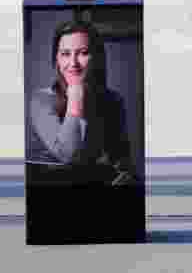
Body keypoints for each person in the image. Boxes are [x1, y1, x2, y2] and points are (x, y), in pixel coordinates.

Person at [27, 19, 136, 185]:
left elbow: (122, 160)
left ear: (96, 57)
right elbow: (68, 156)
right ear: (56, 59)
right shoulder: (42, 100)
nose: (73, 63)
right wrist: (76, 97)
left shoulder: (113, 100)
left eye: (83, 52)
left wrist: (125, 175)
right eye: (65, 54)